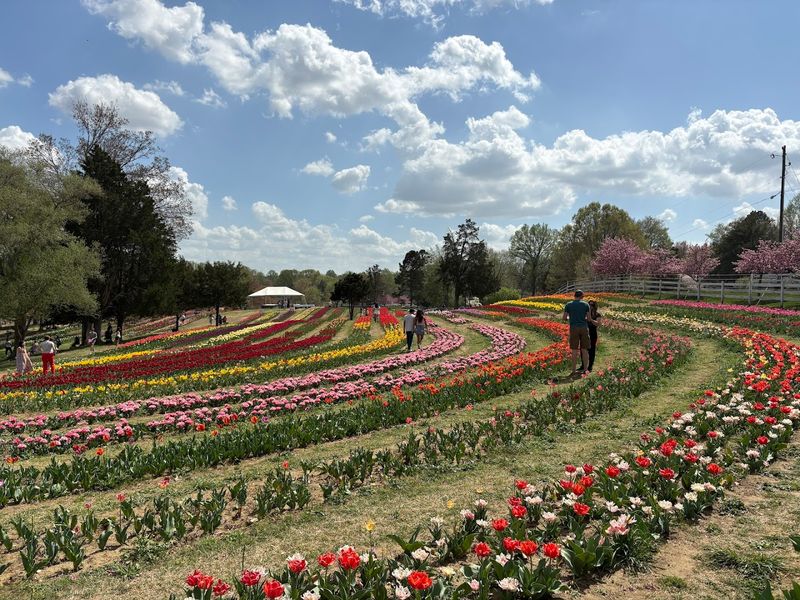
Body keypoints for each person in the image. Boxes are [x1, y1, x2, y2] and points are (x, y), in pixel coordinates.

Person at [562, 290, 591, 375]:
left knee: (574, 350)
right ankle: (585, 369)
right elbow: (589, 319)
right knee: (584, 349)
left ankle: (574, 370)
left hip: (574, 328)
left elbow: (564, 318)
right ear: (582, 296)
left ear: (574, 296)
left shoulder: (568, 305)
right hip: (584, 328)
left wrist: (570, 318)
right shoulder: (586, 305)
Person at [580, 300, 602, 372]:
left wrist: (591, 320)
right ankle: (583, 365)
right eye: (589, 305)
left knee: (591, 350)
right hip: (585, 332)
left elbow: (598, 324)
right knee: (582, 349)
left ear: (594, 306)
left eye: (592, 305)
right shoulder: (584, 314)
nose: (590, 307)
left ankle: (590, 366)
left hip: (592, 333)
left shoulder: (597, 315)